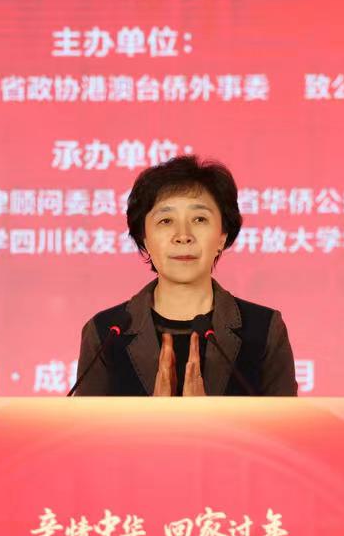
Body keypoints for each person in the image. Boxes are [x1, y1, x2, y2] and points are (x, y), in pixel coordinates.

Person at [74, 155, 298, 396]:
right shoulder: (106, 333)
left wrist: (204, 416)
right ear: (144, 239)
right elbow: (86, 422)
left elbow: (286, 421)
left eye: (200, 219)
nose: (183, 235)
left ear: (222, 236)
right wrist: (155, 416)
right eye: (166, 220)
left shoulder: (263, 330)